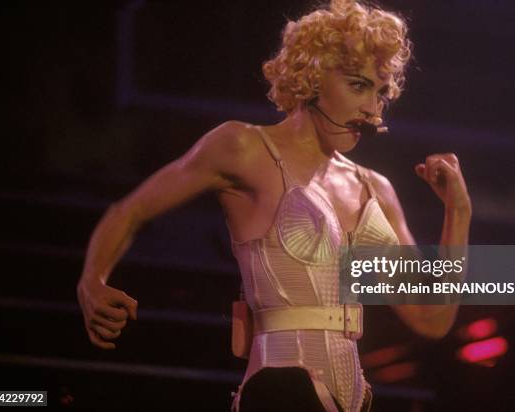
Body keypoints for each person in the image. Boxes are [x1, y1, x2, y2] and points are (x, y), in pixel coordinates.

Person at [76, 1, 472, 411]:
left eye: (380, 92)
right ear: (313, 74)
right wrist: (91, 280)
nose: (372, 109)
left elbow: (432, 318)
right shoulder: (242, 147)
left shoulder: (376, 189)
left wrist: (458, 214)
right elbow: (129, 212)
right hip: (276, 395)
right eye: (358, 85)